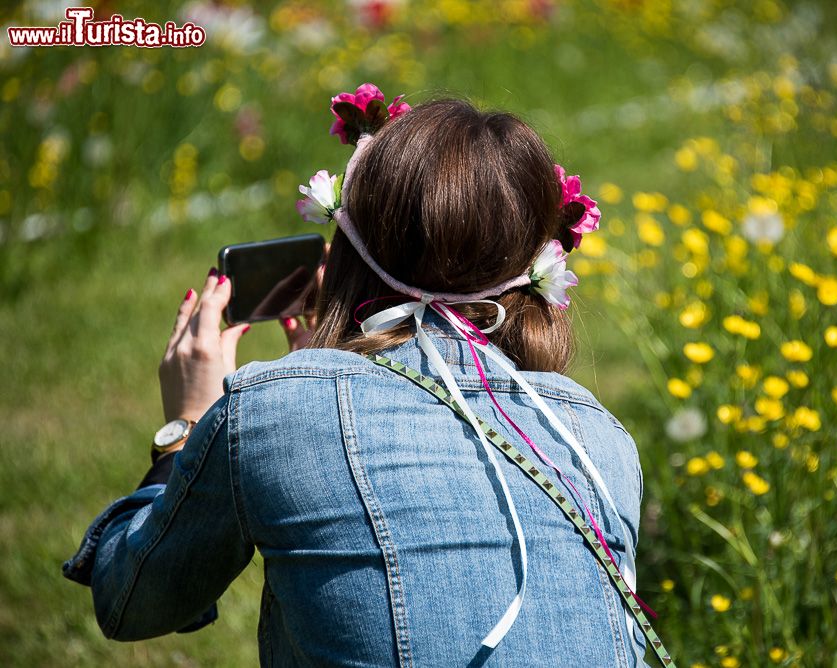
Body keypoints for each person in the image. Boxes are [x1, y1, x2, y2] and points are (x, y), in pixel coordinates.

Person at [64, 91, 670, 667]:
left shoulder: (273, 409)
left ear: (350, 248)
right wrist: (326, 374)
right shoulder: (600, 440)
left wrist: (185, 429)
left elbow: (131, 601)